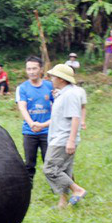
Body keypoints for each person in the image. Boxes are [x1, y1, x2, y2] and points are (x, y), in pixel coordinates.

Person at [41, 64, 87, 208]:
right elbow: (58, 117)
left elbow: (75, 117)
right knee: (64, 170)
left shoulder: (70, 94)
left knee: (50, 169)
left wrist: (71, 141)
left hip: (63, 139)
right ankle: (63, 202)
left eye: (53, 76)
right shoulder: (62, 93)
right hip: (58, 137)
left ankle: (77, 190)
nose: (51, 79)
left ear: (61, 79)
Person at [15, 56, 54, 181]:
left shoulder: (50, 86)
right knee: (29, 163)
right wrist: (31, 124)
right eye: (28, 69)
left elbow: (57, 109)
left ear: (41, 69)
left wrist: (44, 125)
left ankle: (57, 187)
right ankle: (28, 187)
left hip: (47, 131)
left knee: (50, 161)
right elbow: (22, 108)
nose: (31, 72)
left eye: (34, 68)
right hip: (29, 131)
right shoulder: (22, 88)